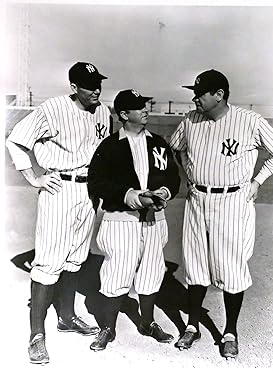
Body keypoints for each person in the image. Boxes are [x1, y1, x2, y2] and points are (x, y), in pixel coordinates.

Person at [169, 69, 273, 359]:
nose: (195, 98)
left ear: (219, 94)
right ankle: (192, 325)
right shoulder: (190, 120)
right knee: (196, 267)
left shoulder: (249, 121)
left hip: (232, 201)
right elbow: (176, 147)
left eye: (200, 93)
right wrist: (188, 174)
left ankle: (230, 331)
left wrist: (257, 181)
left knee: (231, 269)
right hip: (198, 199)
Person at [6, 62, 112, 364]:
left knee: (76, 258)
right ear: (73, 87)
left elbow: (103, 154)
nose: (95, 89)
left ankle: (67, 316)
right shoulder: (53, 109)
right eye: (88, 84)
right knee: (47, 262)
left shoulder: (102, 111)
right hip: (59, 188)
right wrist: (35, 177)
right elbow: (15, 140)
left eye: (98, 83)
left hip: (88, 191)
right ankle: (36, 335)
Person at [87, 89, 181, 351]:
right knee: (117, 272)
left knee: (151, 272)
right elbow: (97, 182)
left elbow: (173, 178)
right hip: (121, 219)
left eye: (145, 105)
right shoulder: (109, 146)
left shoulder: (159, 143)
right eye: (138, 107)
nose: (145, 110)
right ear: (124, 114)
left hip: (154, 218)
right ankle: (108, 327)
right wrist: (130, 194)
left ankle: (147, 322)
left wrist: (164, 192)